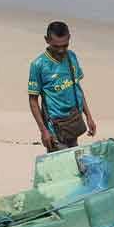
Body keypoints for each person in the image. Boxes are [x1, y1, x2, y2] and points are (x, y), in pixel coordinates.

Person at [28, 21, 96, 152]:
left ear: (69, 38)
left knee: (74, 164)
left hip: (73, 123)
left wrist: (89, 117)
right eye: (56, 46)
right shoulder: (38, 65)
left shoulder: (72, 57)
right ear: (47, 40)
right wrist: (44, 131)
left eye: (65, 46)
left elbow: (77, 89)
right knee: (62, 168)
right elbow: (33, 101)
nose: (61, 50)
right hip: (55, 129)